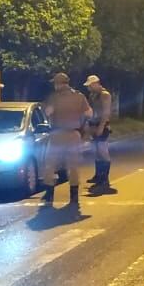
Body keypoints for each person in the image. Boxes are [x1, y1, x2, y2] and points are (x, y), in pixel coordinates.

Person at [43, 72, 91, 206]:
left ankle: (49, 194)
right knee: (73, 166)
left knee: (50, 165)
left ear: (58, 84)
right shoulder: (79, 96)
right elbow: (89, 113)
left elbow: (48, 112)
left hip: (57, 134)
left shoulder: (54, 97)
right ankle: (74, 197)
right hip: (74, 134)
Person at [83, 74, 115, 193]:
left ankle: (104, 180)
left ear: (96, 84)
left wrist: (101, 126)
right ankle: (98, 176)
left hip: (102, 126)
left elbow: (106, 113)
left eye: (90, 86)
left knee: (102, 152)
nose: (89, 88)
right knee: (96, 152)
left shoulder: (105, 95)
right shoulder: (93, 95)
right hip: (93, 125)